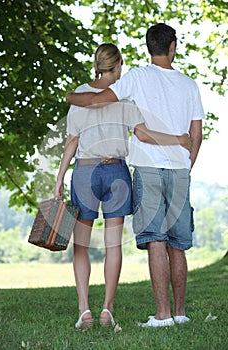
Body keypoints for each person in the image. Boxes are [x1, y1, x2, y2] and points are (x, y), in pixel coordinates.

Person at [65, 23, 204, 327]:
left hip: (120, 169)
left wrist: (72, 97)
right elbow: (190, 133)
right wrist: (184, 159)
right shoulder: (189, 85)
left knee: (151, 240)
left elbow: (88, 116)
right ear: (173, 46)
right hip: (161, 169)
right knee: (175, 243)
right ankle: (171, 313)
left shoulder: (135, 79)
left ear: (147, 47)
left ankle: (148, 314)